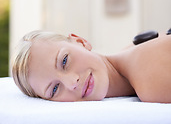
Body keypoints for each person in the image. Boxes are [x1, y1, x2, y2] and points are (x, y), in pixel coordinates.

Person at [11, 30, 171, 103]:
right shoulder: (132, 52)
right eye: (54, 89)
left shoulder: (149, 80)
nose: (72, 82)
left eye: (64, 61)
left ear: (81, 41)